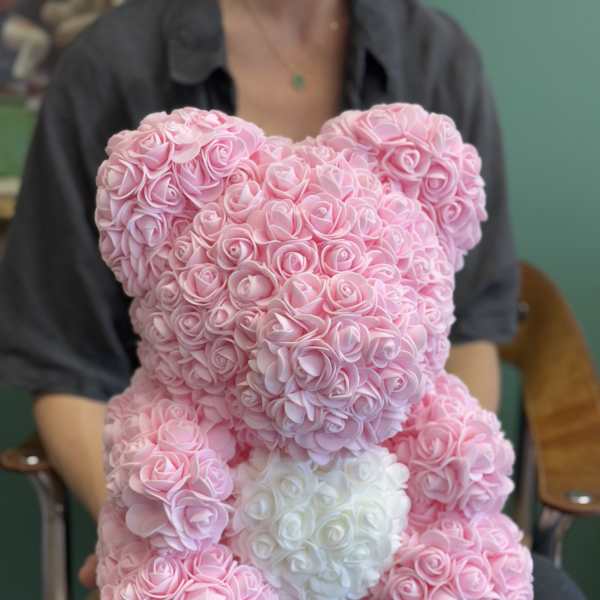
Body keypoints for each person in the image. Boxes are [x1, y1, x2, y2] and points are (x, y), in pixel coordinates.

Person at [0, 1, 586, 598]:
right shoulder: (112, 65)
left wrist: (424, 523)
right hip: (204, 543)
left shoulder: (435, 56)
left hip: (392, 531)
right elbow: (65, 365)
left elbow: (467, 336)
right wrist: (145, 532)